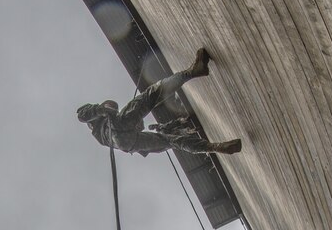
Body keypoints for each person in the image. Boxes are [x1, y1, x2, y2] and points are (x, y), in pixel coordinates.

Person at [76, 48, 243, 156]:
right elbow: (81, 115)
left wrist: (134, 123)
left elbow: (136, 129)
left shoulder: (103, 136)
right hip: (120, 130)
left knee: (172, 141)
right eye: (111, 106)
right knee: (154, 93)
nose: (113, 107)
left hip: (129, 144)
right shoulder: (96, 119)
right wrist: (101, 110)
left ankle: (216, 147)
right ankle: (194, 71)